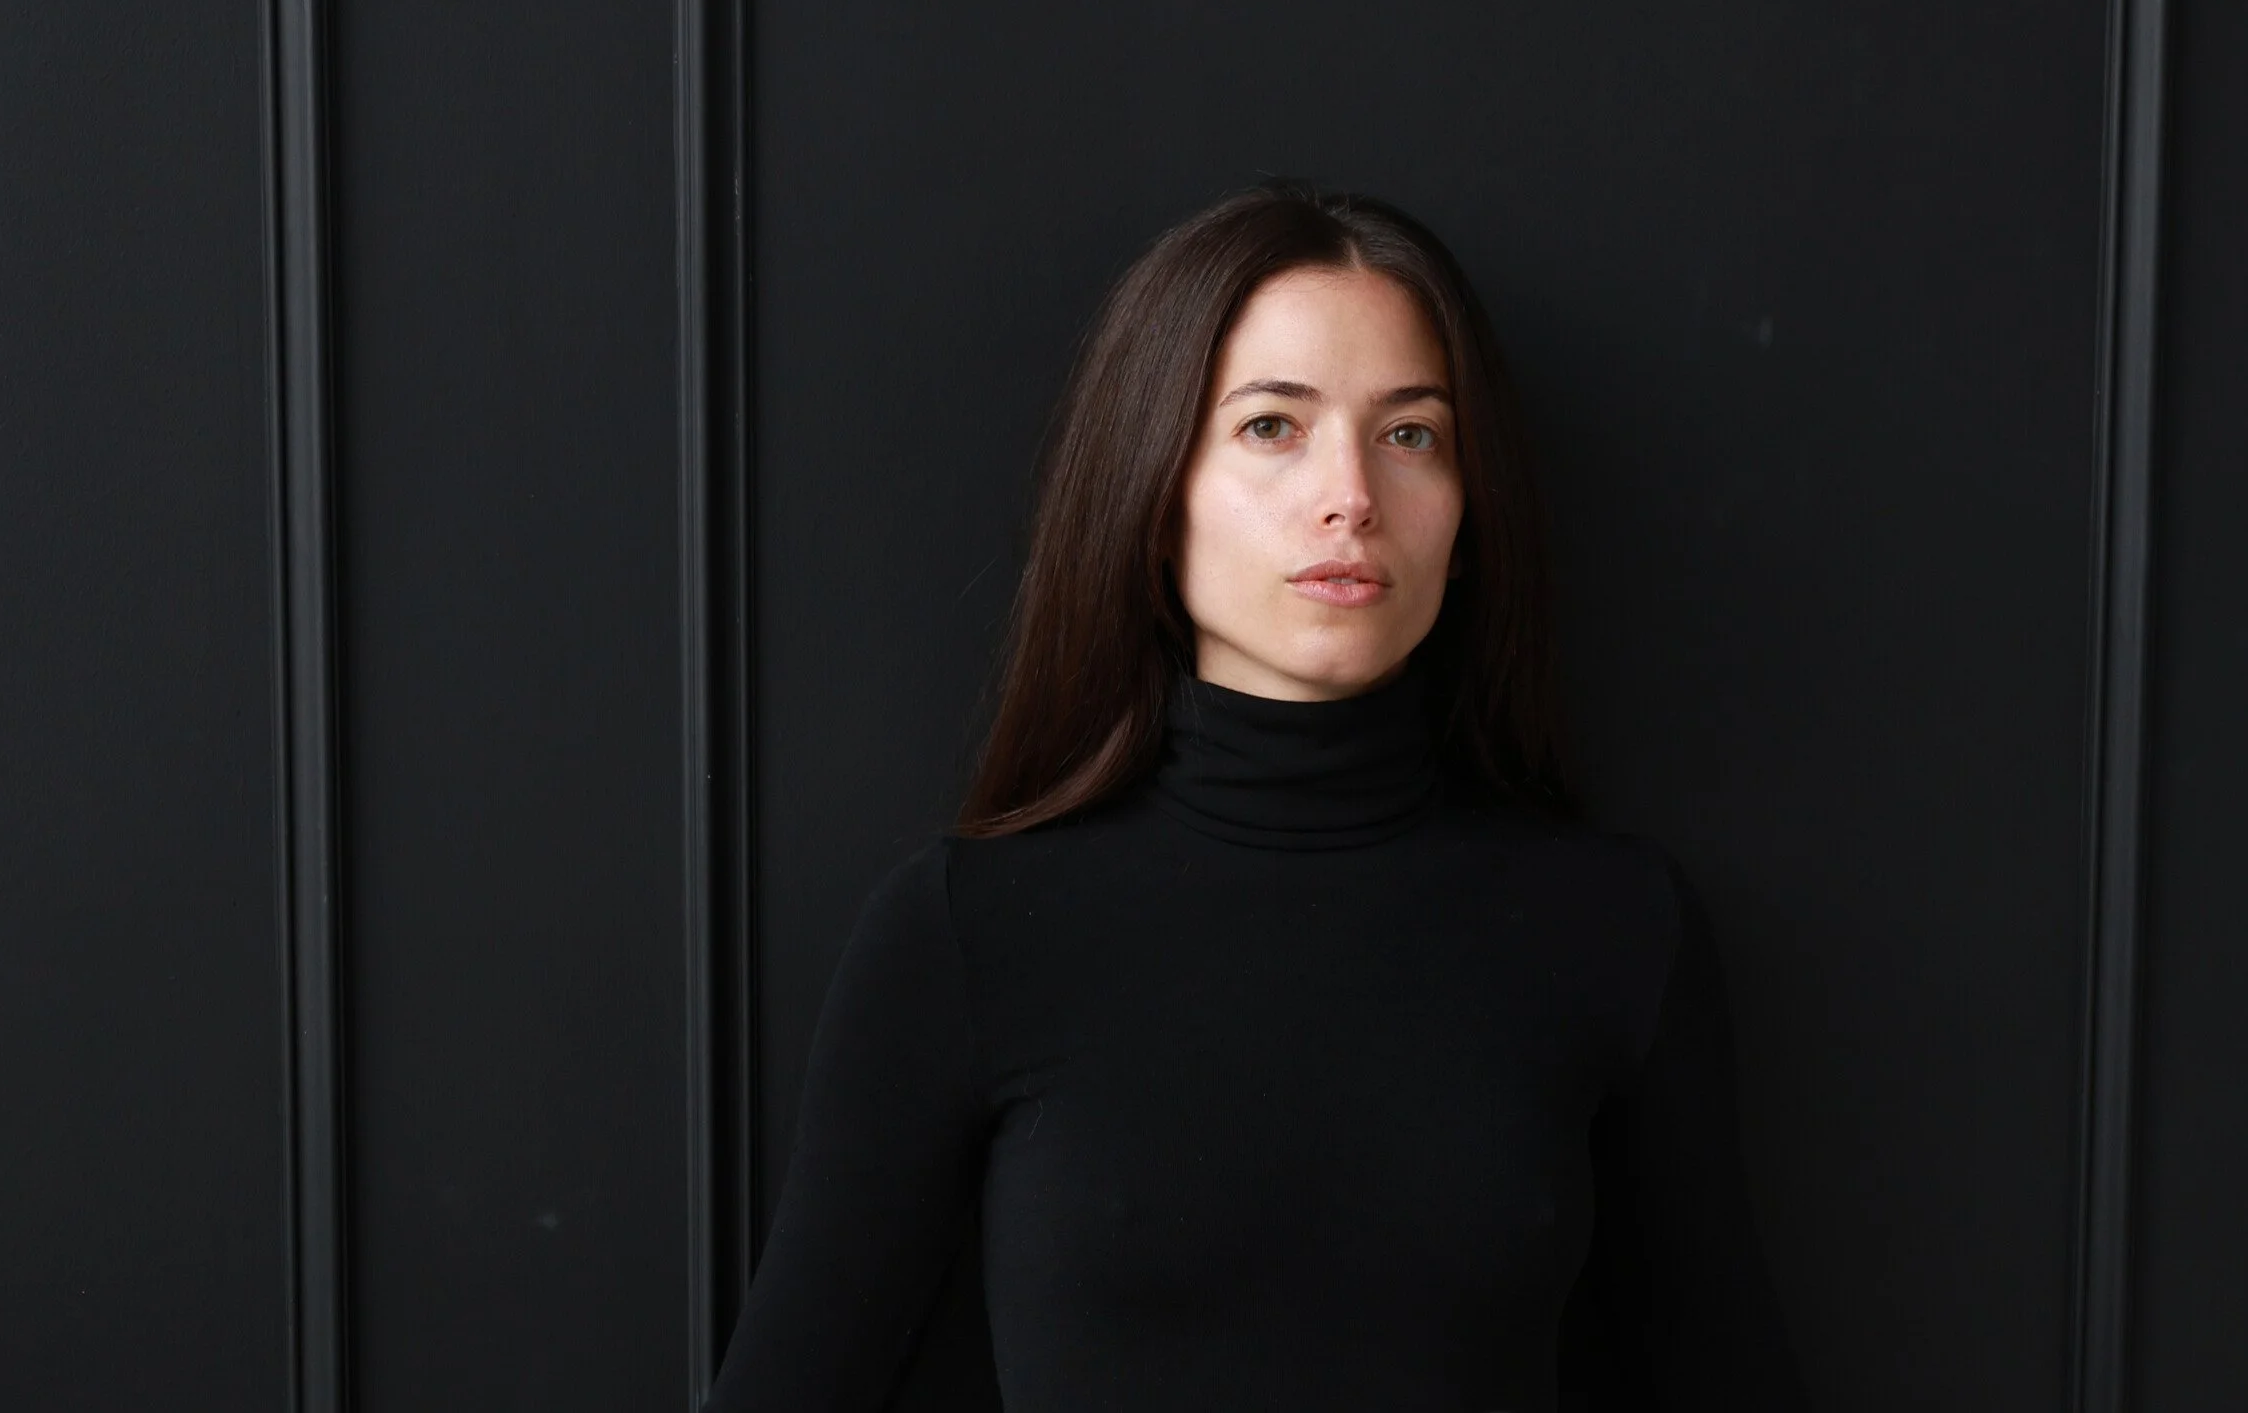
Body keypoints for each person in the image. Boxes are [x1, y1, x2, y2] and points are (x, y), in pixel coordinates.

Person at [702, 181, 1809, 1410]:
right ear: (1152, 488)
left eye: (1409, 434)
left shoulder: (1612, 925)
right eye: (1272, 426)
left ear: (1467, 513)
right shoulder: (965, 930)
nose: (1351, 496)